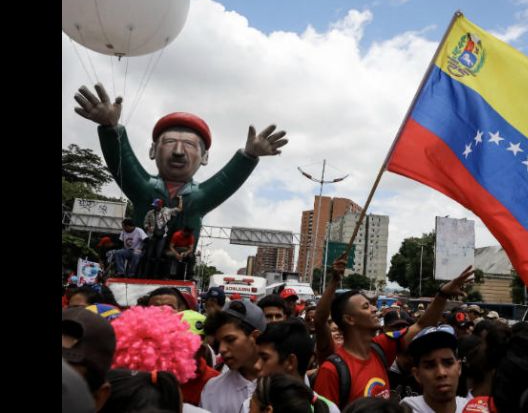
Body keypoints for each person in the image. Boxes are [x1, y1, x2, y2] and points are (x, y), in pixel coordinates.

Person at [74, 83, 288, 251]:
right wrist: (110, 128)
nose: (178, 151)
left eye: (188, 144)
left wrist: (249, 156)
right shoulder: (144, 189)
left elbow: (227, 180)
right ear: (152, 151)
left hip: (179, 267)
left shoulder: (199, 197)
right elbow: (123, 164)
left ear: (204, 157)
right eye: (168, 142)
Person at [313, 253, 474, 408]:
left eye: (371, 304)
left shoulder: (380, 348)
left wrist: (442, 294)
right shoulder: (332, 370)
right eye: (366, 306)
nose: (375, 309)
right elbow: (320, 320)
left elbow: (420, 326)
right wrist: (334, 280)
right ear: (349, 319)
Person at [201, 299, 268, 412]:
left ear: (255, 337)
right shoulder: (212, 390)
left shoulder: (285, 383)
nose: (222, 349)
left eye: (230, 340)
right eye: (219, 342)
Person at [400, 325, 470, 413]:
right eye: (430, 366)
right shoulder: (405, 410)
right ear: (417, 375)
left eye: (448, 363)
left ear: (459, 367)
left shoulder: (473, 409)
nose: (441, 373)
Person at [143, 196, 183, 278]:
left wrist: (180, 199)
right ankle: (145, 274)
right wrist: (148, 228)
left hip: (162, 236)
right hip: (152, 235)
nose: (154, 206)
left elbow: (179, 209)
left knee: (158, 256)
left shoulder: (167, 211)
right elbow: (145, 223)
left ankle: (155, 275)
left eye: (156, 205)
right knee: (148, 255)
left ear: (160, 205)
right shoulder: (150, 213)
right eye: (154, 205)